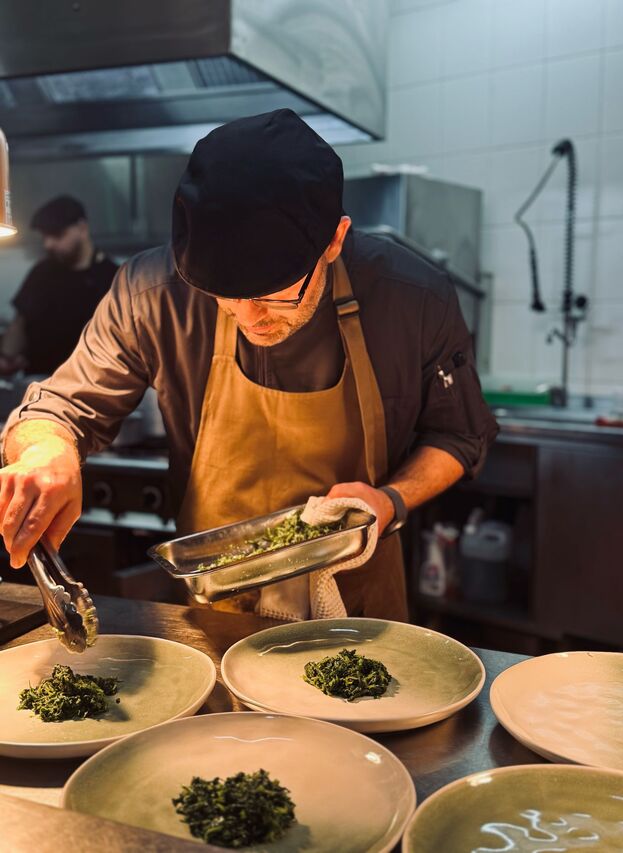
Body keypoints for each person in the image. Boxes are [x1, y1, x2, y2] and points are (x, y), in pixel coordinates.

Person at [0, 109, 497, 621]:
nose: (246, 317)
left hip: (356, 613)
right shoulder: (152, 292)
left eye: (270, 295)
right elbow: (58, 409)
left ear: (334, 240)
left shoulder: (411, 298)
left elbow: (459, 434)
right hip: (214, 609)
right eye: (222, 294)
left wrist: (391, 500)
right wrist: (46, 451)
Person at [0, 195, 118, 376]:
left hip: (91, 381)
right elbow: (20, 323)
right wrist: (6, 359)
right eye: (45, 236)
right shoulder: (42, 272)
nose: (48, 244)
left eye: (57, 235)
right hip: (40, 379)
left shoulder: (111, 277)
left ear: (82, 228)